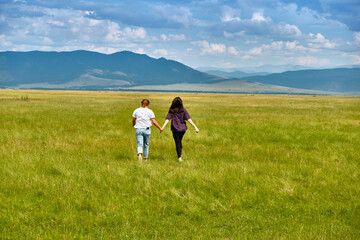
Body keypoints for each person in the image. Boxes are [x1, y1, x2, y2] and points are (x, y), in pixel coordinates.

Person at [161, 97, 199, 162]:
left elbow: (168, 119)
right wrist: (195, 127)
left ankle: (179, 157)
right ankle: (180, 154)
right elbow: (188, 119)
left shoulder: (171, 110)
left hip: (175, 129)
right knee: (179, 141)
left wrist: (163, 127)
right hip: (183, 129)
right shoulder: (183, 110)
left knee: (177, 143)